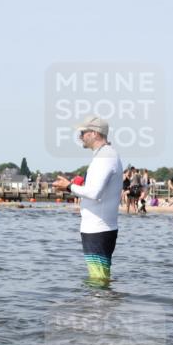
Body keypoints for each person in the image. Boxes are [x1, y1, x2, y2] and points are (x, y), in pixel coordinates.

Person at [52, 116, 122, 284]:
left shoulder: (105, 156)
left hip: (98, 229)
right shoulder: (105, 155)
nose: (80, 136)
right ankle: (104, 300)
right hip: (99, 228)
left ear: (95, 133)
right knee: (100, 278)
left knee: (98, 281)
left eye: (83, 132)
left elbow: (94, 192)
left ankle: (100, 301)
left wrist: (69, 186)